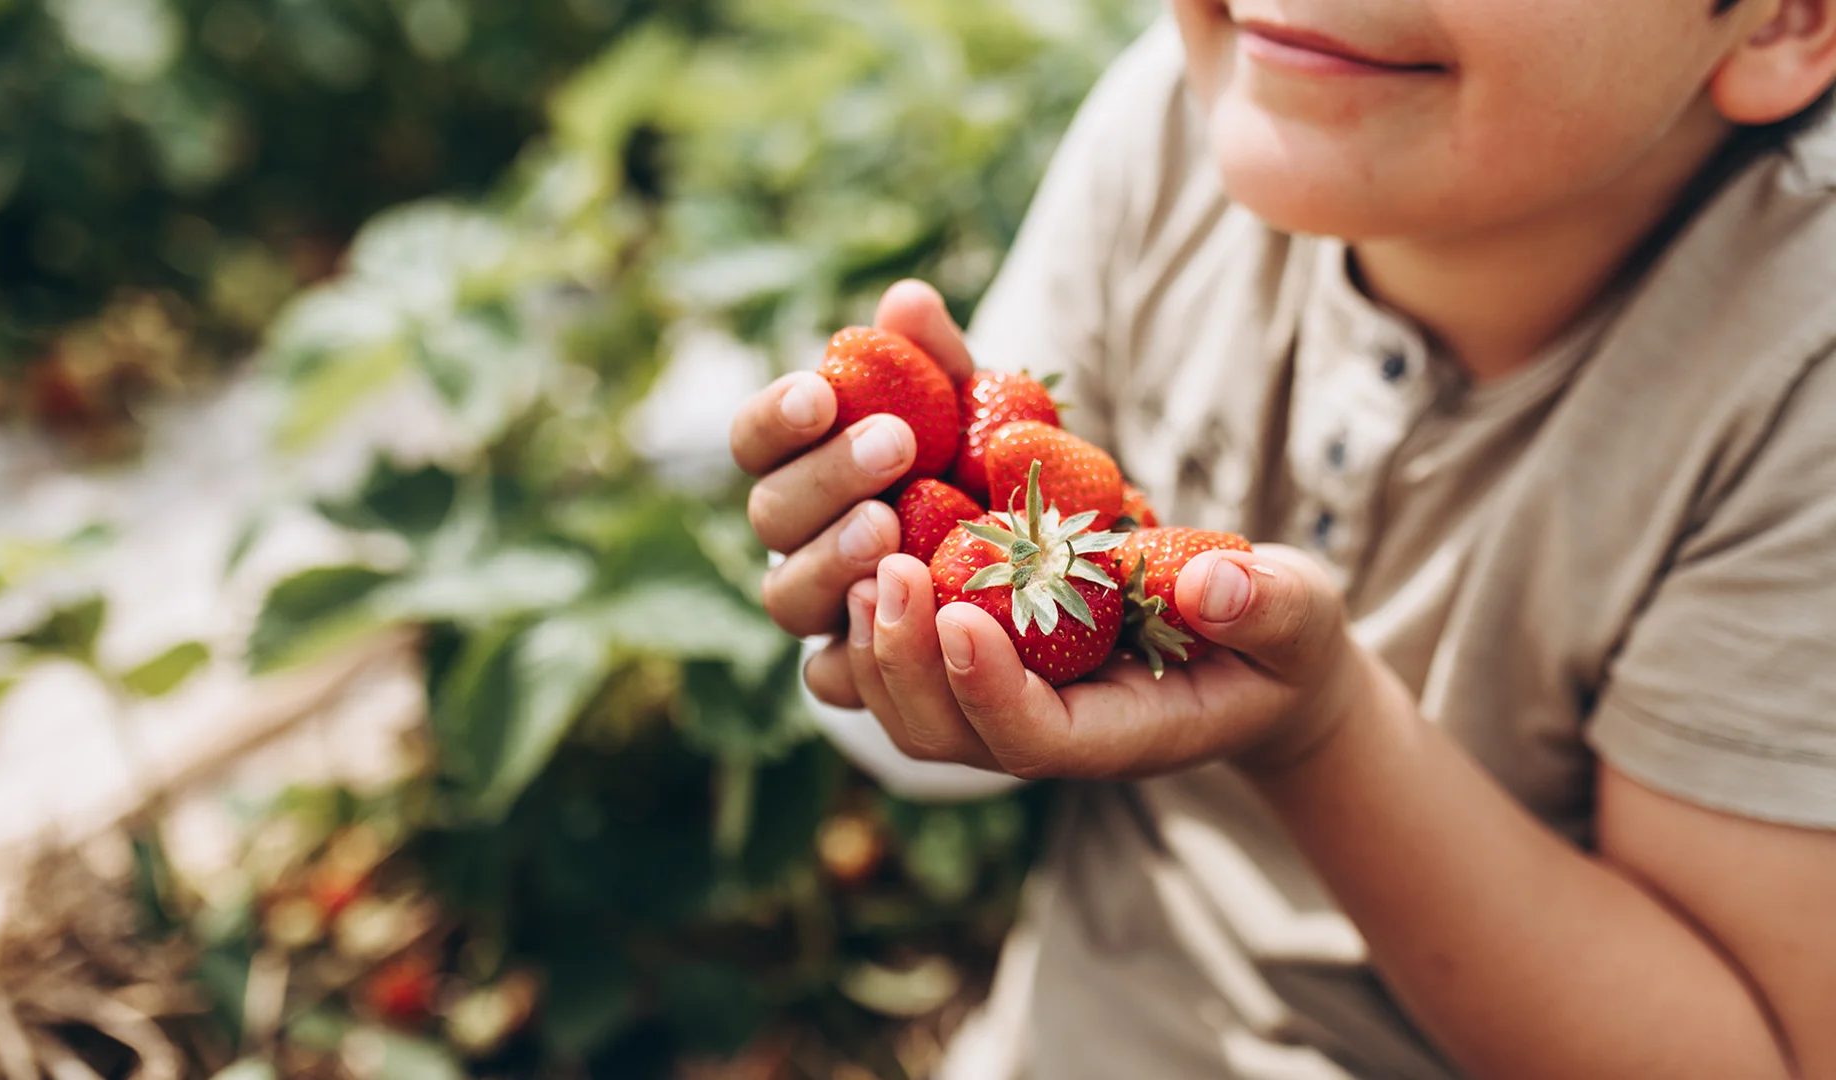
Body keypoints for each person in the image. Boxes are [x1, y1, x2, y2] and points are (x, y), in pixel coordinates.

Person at [730, 1, 1836, 1076]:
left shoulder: (1797, 374)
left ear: (1780, 19)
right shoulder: (1194, 113)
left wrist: (1318, 735)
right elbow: (940, 739)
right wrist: (883, 594)